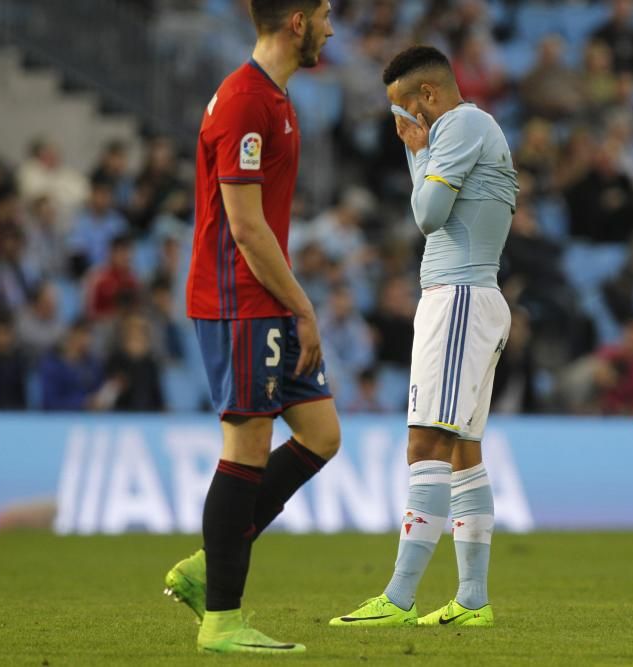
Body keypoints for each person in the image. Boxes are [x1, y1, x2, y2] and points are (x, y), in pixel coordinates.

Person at [161, 0, 337, 655]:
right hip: (239, 299)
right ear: (296, 22)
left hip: (266, 297)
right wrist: (304, 304)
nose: (331, 26)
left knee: (322, 434)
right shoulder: (243, 102)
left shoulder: (276, 98)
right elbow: (245, 226)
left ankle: (209, 563)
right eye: (323, 13)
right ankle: (222, 618)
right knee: (245, 449)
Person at [331, 45, 517, 628]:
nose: (401, 124)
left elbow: (428, 215)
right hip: (472, 296)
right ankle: (472, 600)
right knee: (463, 453)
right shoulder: (473, 127)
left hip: (458, 297)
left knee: (425, 443)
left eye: (403, 111)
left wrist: (417, 154)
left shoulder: (460, 124)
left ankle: (400, 596)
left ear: (429, 98)